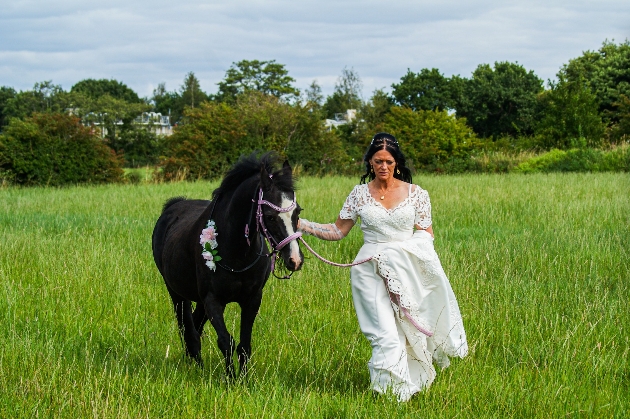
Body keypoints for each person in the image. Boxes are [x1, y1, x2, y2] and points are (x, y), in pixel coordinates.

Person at [297, 132, 468, 402]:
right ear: (369, 163)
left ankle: (408, 386)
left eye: (388, 161)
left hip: (404, 268)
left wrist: (398, 251)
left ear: (396, 163)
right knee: (384, 334)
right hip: (367, 271)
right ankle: (391, 393)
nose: (383, 167)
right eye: (378, 161)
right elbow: (338, 230)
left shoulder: (417, 194)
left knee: (408, 332)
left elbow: (427, 234)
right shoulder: (358, 195)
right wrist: (302, 226)